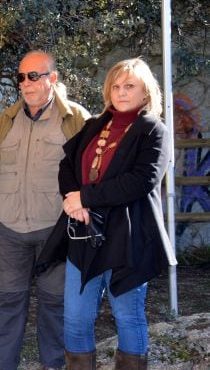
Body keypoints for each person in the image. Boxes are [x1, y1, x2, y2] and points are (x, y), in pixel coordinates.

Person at [44, 58, 176, 369]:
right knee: (76, 318)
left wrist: (86, 196)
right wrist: (72, 201)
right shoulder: (94, 126)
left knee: (127, 315)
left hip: (128, 238)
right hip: (85, 233)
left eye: (129, 86)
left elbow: (141, 180)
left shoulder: (153, 130)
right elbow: (67, 166)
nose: (121, 92)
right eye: (115, 86)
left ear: (145, 92)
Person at [0, 51, 90, 370]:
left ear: (52, 78)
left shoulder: (76, 120)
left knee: (55, 304)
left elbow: (90, 171)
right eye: (21, 77)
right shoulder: (5, 121)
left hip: (57, 232)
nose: (25, 84)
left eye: (33, 76)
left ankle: (54, 365)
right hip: (11, 230)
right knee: (8, 301)